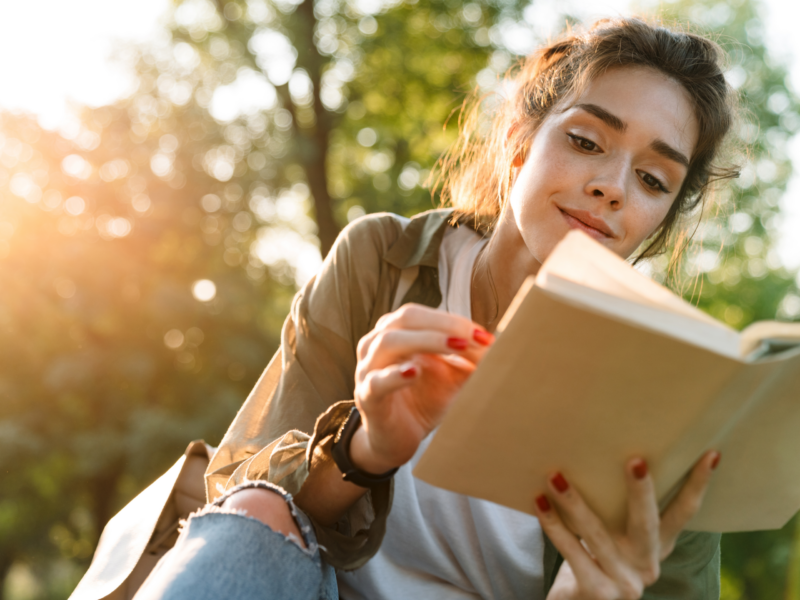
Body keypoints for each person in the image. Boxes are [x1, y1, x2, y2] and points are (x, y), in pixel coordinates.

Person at [134, 16, 739, 600]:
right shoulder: (382, 261)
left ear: (660, 220)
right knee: (260, 506)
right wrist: (366, 449)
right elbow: (239, 501)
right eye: (586, 141)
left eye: (654, 180)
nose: (613, 185)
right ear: (518, 141)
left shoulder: (668, 394)